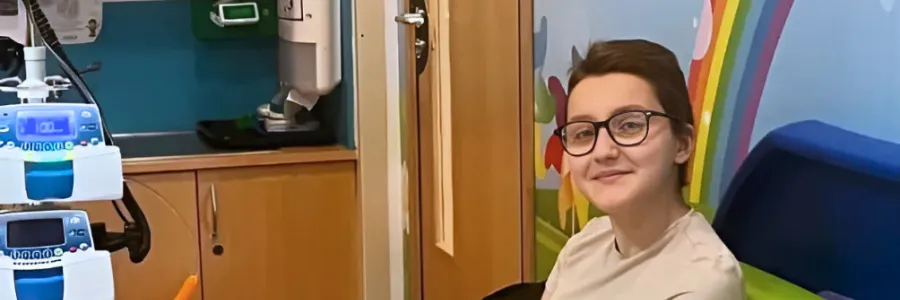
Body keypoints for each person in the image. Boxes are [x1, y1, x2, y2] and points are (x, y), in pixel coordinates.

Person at [541, 39, 744, 300]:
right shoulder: (588, 240)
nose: (603, 151)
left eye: (629, 126)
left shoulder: (702, 283)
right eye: (583, 132)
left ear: (682, 144)